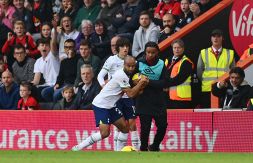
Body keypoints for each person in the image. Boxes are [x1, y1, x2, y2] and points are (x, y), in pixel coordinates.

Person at [71, 55, 149, 151]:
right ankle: (78, 147)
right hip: (101, 105)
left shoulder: (127, 75)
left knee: (125, 128)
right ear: (124, 65)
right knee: (105, 133)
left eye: (133, 66)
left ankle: (119, 153)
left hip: (111, 105)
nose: (131, 68)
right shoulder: (121, 75)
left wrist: (142, 85)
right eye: (129, 66)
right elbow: (131, 94)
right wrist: (141, 83)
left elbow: (135, 92)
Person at [97, 37, 139, 151]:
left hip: (127, 95)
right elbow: (100, 76)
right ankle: (117, 152)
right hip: (115, 97)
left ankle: (138, 151)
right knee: (119, 127)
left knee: (132, 124)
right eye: (122, 46)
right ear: (118, 48)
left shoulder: (131, 61)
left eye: (127, 46)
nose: (125, 48)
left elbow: (134, 76)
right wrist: (103, 87)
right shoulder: (111, 60)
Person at [135, 42, 167, 151]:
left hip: (158, 101)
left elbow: (164, 83)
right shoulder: (139, 63)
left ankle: (155, 146)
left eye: (153, 52)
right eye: (148, 52)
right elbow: (132, 79)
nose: (150, 55)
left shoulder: (162, 64)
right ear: (145, 52)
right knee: (145, 128)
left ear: (157, 52)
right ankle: (143, 148)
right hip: (143, 100)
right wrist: (137, 82)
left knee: (162, 126)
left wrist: (148, 82)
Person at [197, 29, 235, 108]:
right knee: (207, 115)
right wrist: (206, 80)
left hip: (224, 88)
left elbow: (233, 71)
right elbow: (199, 71)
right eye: (214, 36)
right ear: (211, 38)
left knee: (224, 115)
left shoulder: (230, 53)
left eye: (218, 36)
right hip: (208, 89)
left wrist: (226, 83)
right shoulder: (204, 52)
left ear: (222, 38)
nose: (216, 38)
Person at [165, 39, 194, 109]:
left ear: (183, 49)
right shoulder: (167, 60)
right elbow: (163, 74)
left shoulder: (186, 62)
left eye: (179, 48)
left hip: (182, 98)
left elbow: (179, 78)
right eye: (174, 48)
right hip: (169, 97)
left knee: (181, 120)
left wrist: (165, 83)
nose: (176, 50)